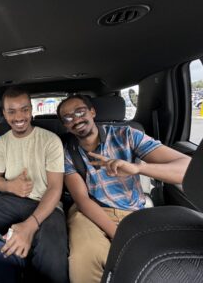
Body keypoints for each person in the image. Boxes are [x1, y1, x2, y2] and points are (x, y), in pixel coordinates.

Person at [57, 94, 191, 283]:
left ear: (92, 112)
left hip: (134, 210)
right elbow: (83, 200)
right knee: (85, 257)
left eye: (80, 111)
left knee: (156, 261)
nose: (76, 119)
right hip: (90, 213)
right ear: (65, 125)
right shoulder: (66, 151)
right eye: (68, 117)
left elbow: (188, 169)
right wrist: (119, 235)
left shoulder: (127, 135)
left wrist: (139, 168)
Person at [0, 87, 69, 283]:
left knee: (52, 250)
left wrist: (29, 226)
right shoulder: (2, 143)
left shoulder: (50, 140)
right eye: (11, 111)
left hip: (46, 203)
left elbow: (55, 188)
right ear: (3, 114)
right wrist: (10, 186)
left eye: (24, 109)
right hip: (10, 200)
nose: (19, 116)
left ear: (31, 110)